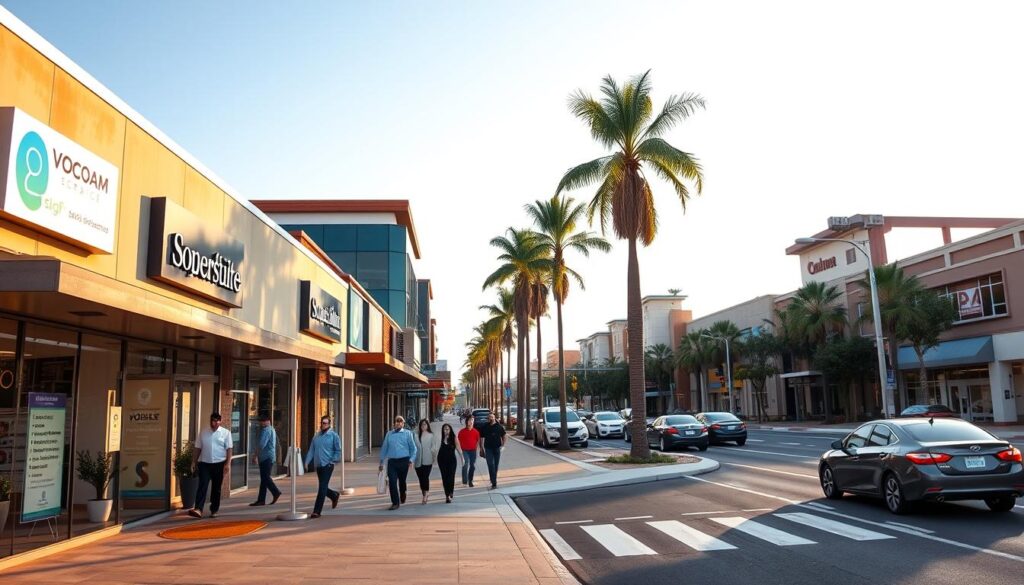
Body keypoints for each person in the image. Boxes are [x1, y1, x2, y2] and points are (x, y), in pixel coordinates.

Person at [189, 412, 233, 519]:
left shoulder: (226, 433)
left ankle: (214, 510)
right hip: (205, 464)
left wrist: (227, 464)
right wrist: (194, 462)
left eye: (216, 421)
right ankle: (198, 509)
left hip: (219, 464)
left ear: (220, 421)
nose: (214, 423)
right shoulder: (203, 433)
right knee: (202, 486)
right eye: (212, 421)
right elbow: (197, 448)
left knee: (216, 488)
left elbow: (229, 449)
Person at [304, 415, 342, 518]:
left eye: (325, 423)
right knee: (323, 487)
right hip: (319, 465)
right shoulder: (316, 436)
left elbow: (338, 450)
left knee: (322, 488)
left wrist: (333, 460)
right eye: (322, 422)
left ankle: (317, 511)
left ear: (329, 424)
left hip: (328, 465)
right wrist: (307, 462)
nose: (323, 425)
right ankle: (334, 495)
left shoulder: (334, 436)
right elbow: (312, 450)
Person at [378, 415, 418, 510]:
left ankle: (403, 492)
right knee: (392, 481)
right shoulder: (389, 434)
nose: (398, 423)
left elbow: (413, 448)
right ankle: (395, 502)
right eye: (397, 421)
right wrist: (381, 462)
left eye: (401, 421)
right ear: (394, 423)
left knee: (402, 481)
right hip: (392, 462)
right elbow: (384, 448)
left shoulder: (408, 434)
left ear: (403, 424)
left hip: (404, 461)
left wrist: (411, 460)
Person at [249, 413, 281, 506]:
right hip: (267, 457)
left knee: (265, 478)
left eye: (262, 421)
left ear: (267, 421)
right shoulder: (271, 429)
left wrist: (255, 455)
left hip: (266, 457)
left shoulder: (266, 430)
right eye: (260, 422)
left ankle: (275, 492)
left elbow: (262, 444)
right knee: (264, 479)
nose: (261, 423)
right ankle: (261, 500)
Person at [413, 418, 438, 504]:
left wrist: (434, 458)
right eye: (422, 424)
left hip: (428, 460)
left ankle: (425, 494)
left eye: (425, 424)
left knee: (425, 477)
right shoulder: (416, 435)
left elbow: (434, 448)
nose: (423, 426)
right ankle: (424, 492)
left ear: (427, 425)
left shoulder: (431, 435)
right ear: (420, 426)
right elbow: (413, 448)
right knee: (420, 478)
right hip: (417, 461)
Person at [479, 412, 507, 490]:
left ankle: (493, 480)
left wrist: (503, 445)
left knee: (496, 466)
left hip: (497, 448)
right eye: (489, 417)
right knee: (490, 464)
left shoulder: (499, 427)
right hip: (488, 449)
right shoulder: (485, 427)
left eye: (492, 417)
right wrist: (481, 448)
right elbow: (481, 438)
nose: (490, 418)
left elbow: (504, 436)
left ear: (494, 418)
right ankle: (494, 481)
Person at [436, 423, 462, 503]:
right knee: (444, 478)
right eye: (444, 429)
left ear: (450, 430)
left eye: (447, 429)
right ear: (442, 430)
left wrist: (462, 459)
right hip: (442, 461)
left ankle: (451, 492)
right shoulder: (440, 438)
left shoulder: (454, 438)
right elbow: (436, 449)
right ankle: (447, 495)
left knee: (450, 477)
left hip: (452, 461)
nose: (446, 431)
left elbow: (459, 449)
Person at [457, 416, 480, 487]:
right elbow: (458, 442)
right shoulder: (461, 432)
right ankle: (464, 481)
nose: (471, 421)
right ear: (467, 421)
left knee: (472, 466)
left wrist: (477, 450)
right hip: (464, 451)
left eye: (472, 420)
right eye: (470, 420)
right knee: (465, 464)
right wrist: (460, 451)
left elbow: (478, 442)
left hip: (473, 451)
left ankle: (470, 480)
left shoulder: (476, 432)